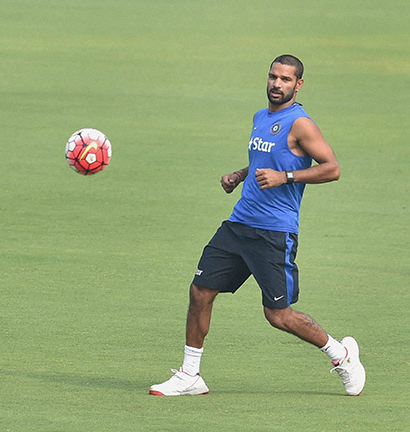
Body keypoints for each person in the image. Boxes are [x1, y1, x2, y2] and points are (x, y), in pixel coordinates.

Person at [149, 55, 365, 397]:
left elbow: (332, 168)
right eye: (273, 77)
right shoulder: (261, 117)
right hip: (238, 224)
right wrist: (240, 174)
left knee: (278, 315)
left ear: (299, 85)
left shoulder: (301, 124)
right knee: (200, 291)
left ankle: (342, 355)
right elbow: (263, 161)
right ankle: (190, 375)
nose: (277, 84)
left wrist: (286, 177)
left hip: (274, 232)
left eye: (285, 79)